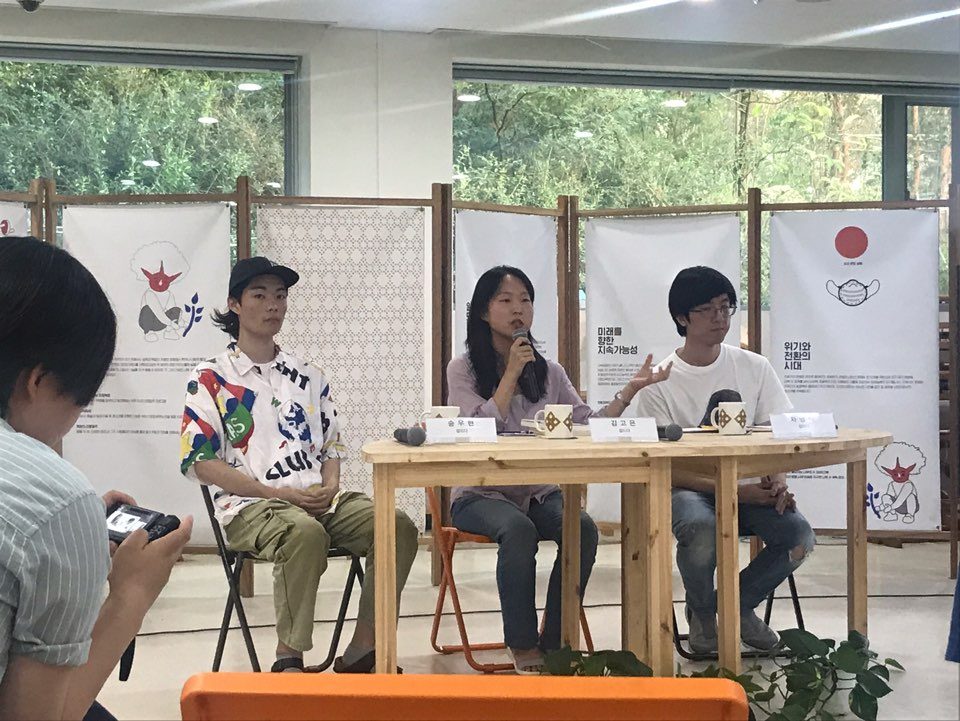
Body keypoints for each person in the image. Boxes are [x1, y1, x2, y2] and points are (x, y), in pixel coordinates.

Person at [180, 256, 419, 674]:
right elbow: (201, 462)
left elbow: (332, 446)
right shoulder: (210, 378)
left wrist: (331, 484)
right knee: (304, 534)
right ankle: (288, 658)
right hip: (250, 505)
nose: (273, 305)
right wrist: (275, 493)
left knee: (396, 525)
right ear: (234, 304)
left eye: (280, 295)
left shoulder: (308, 374)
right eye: (259, 295)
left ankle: (365, 649)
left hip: (315, 498)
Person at [0, 236, 192, 720]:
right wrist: (132, 592)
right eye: (80, 402)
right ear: (38, 381)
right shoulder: (55, 500)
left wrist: (75, 529)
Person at [447, 265, 670, 673]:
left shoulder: (550, 372)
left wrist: (629, 391)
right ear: (482, 312)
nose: (518, 309)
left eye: (525, 300)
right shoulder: (463, 369)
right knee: (518, 530)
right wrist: (511, 374)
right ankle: (521, 643)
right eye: (506, 300)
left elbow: (588, 424)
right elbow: (474, 430)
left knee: (582, 529)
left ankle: (555, 640)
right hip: (480, 493)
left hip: (538, 491)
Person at [633, 265, 816, 653]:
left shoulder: (754, 366)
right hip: (688, 489)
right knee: (701, 528)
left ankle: (736, 605)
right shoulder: (659, 382)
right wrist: (731, 489)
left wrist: (777, 482)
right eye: (707, 309)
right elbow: (663, 466)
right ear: (682, 318)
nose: (720, 318)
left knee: (798, 534)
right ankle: (701, 614)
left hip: (750, 487)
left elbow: (777, 436)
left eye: (726, 307)